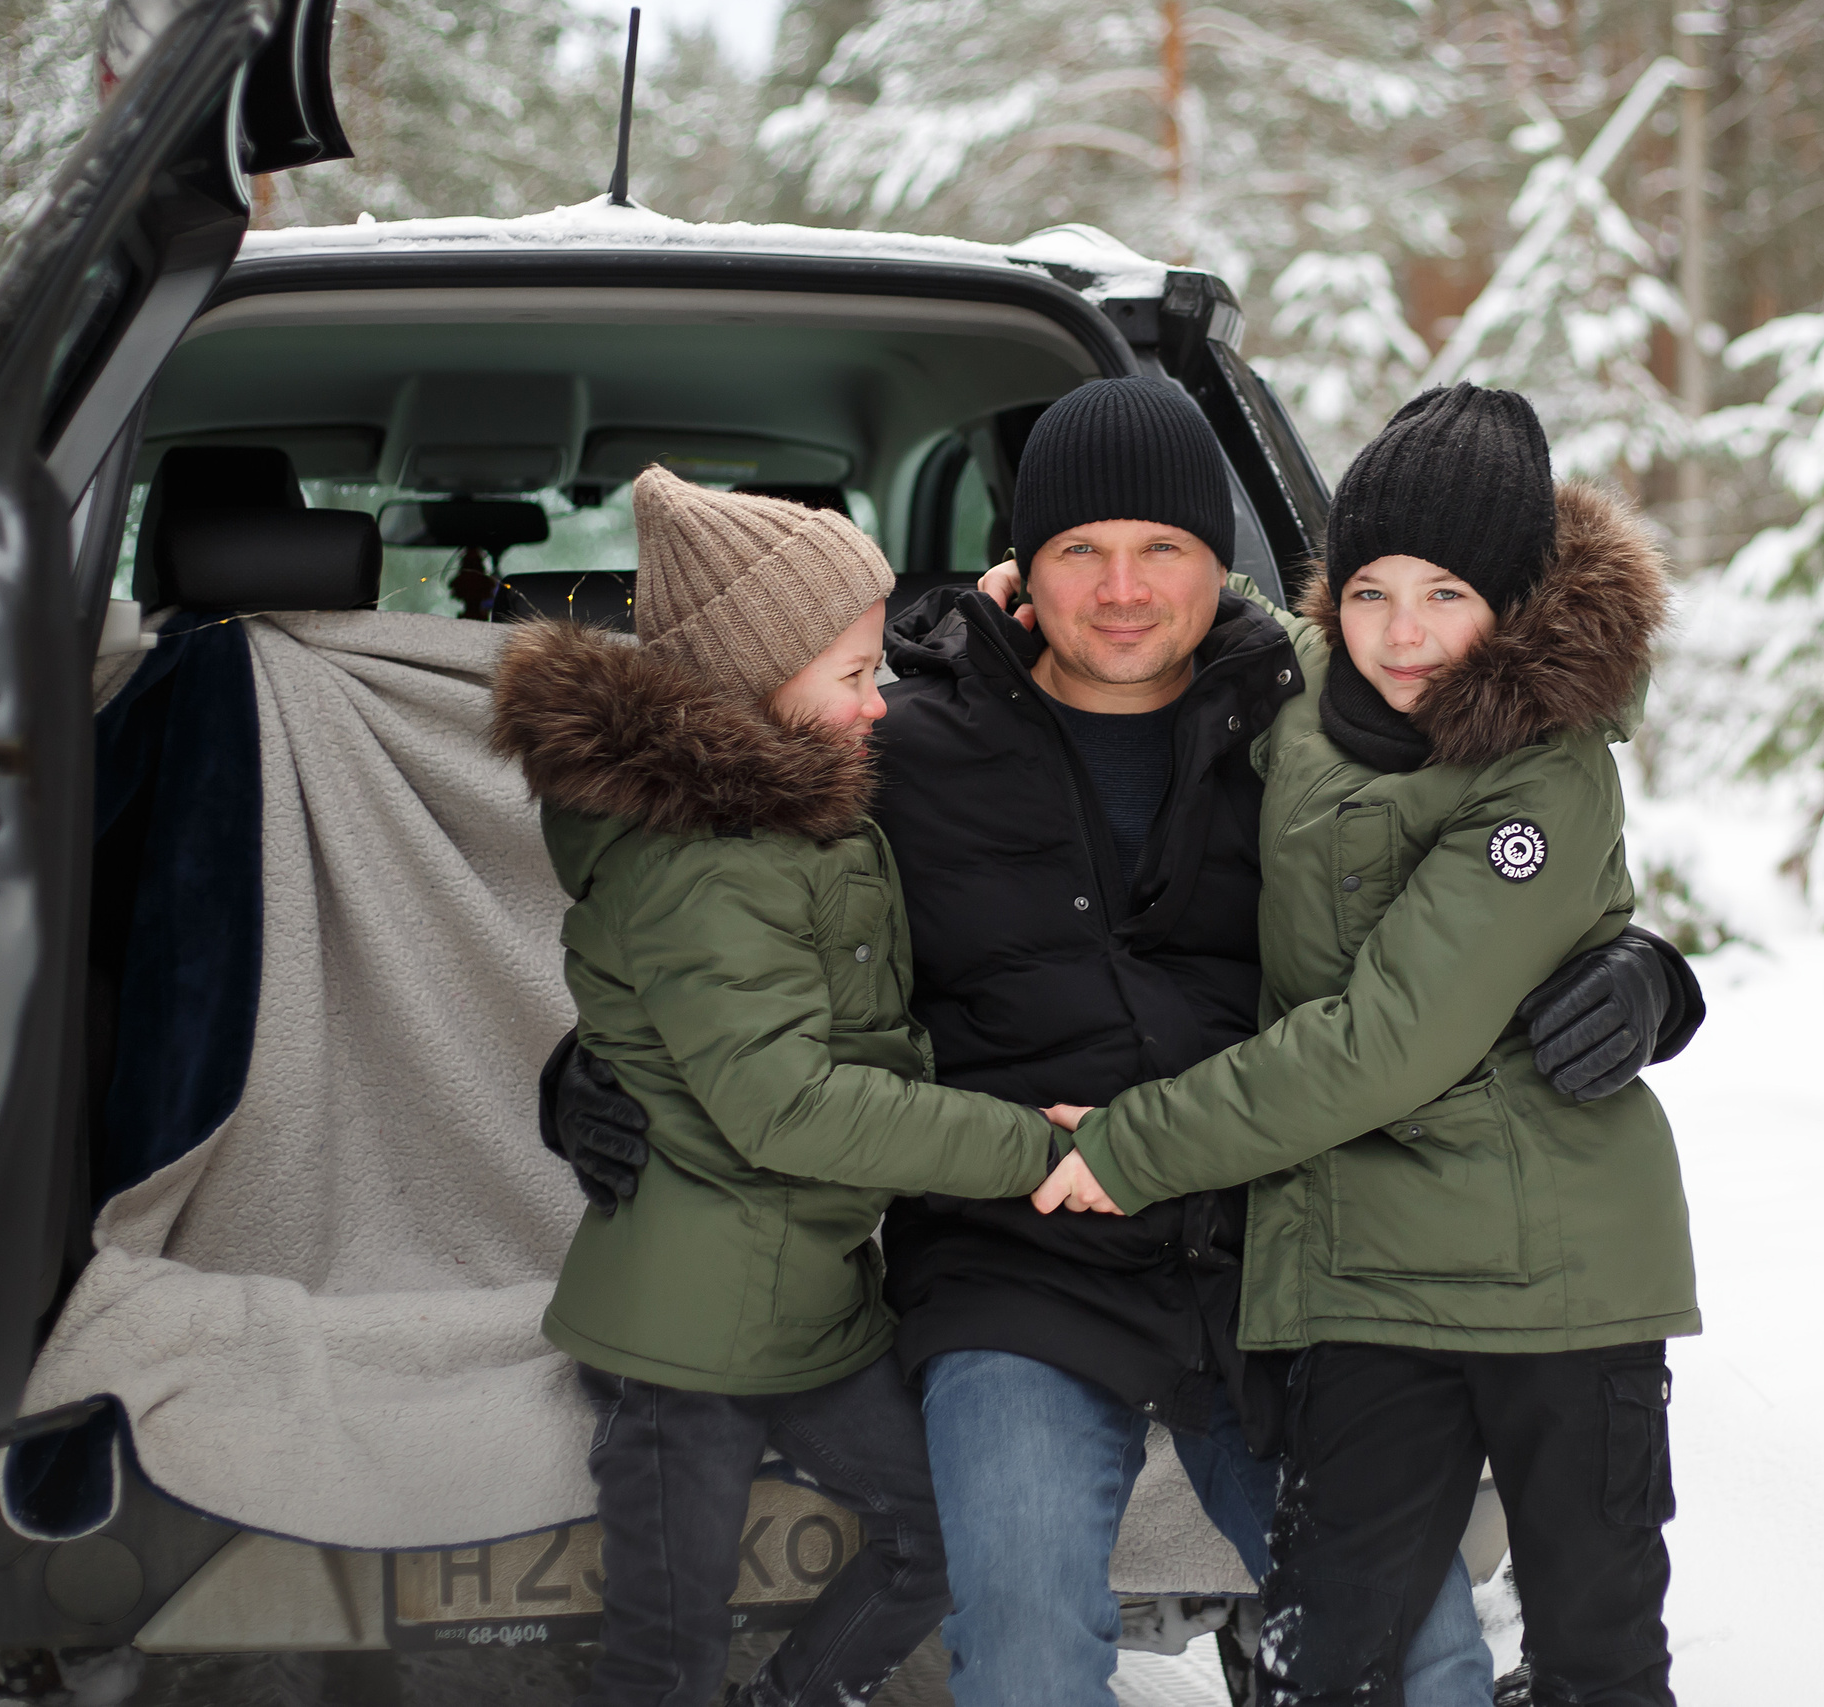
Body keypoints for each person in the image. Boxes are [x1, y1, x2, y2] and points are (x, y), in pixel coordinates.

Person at [544, 380, 1703, 1707]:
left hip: (1264, 1253)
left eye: (1166, 547)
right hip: (1017, 1265)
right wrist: (586, 1067)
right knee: (1029, 1655)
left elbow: (1508, 817)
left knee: (1425, 1653)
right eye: (1078, 549)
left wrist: (1648, 974)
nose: (1124, 588)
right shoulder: (891, 737)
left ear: (1230, 564)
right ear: (1022, 569)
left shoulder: (1314, 702)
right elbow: (706, 904)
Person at [1033, 385, 1699, 1707]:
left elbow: (1385, 1041)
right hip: (1364, 1275)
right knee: (1320, 1655)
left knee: (1596, 1652)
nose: (1404, 632)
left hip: (1558, 1282)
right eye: (1372, 587)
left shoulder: (1545, 769)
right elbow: (1166, 613)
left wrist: (1137, 1141)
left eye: (1447, 592)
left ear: (1510, 597)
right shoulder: (1297, 680)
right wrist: (1013, 594)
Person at [488, 466, 1063, 1707]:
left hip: (805, 1304)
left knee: (946, 1535)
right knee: (666, 1650)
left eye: (877, 672)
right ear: (751, 687)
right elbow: (787, 1105)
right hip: (681, 1344)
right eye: (853, 678)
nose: (878, 708)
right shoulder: (707, 868)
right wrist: (1027, 1147)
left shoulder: (792, 819)